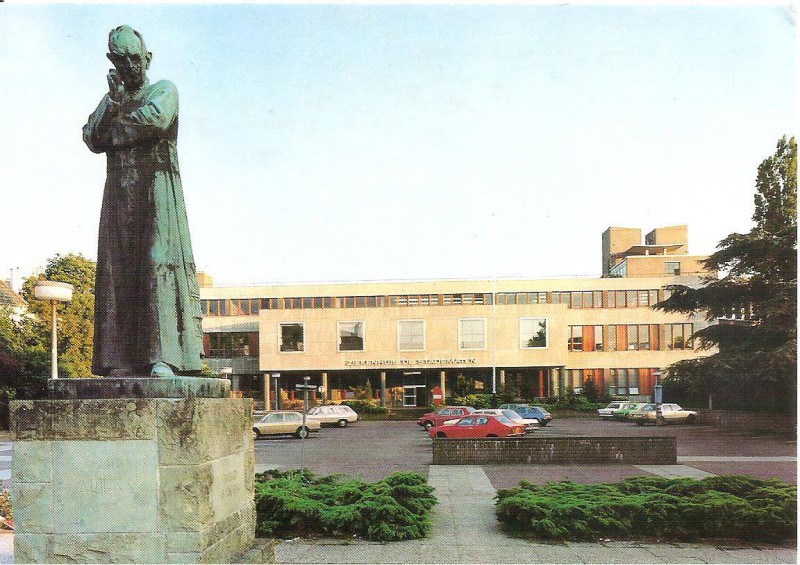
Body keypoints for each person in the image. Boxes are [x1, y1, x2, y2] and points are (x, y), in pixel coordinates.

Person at [83, 25, 203, 377]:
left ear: (146, 57)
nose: (131, 65)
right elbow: (91, 136)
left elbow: (154, 120)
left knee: (157, 266)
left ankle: (161, 358)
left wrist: (112, 132)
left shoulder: (163, 89)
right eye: (123, 60)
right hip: (120, 194)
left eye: (136, 58)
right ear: (113, 62)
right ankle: (117, 360)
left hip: (156, 189)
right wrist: (115, 106)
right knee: (116, 270)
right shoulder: (112, 100)